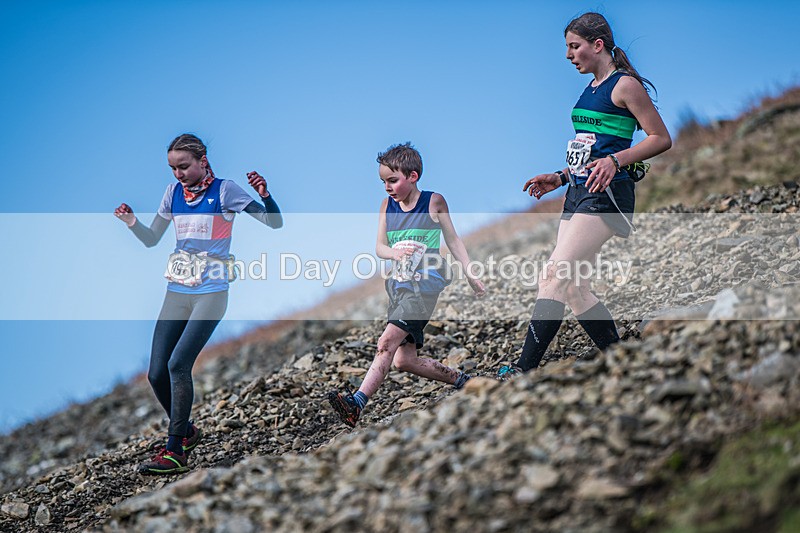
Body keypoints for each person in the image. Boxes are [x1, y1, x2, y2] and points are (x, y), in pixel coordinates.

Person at [497, 12, 671, 379]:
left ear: (598, 44)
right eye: (567, 48)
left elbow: (660, 138)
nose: (568, 55)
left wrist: (615, 160)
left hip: (607, 195)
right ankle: (620, 358)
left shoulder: (625, 85)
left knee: (555, 275)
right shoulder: (590, 88)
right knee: (575, 287)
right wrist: (559, 176)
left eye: (574, 46)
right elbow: (588, 148)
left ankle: (523, 370)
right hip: (577, 192)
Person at [114, 133, 283, 474]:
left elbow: (273, 222)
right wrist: (132, 223)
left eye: (184, 166)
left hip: (211, 293)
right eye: (172, 168)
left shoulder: (225, 191)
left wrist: (266, 197)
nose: (178, 174)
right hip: (177, 292)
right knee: (156, 372)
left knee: (179, 365)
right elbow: (151, 239)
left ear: (202, 161)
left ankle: (174, 450)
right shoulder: (172, 194)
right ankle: (187, 431)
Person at [327, 142, 485, 427]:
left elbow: (453, 239)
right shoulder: (387, 206)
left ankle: (357, 403)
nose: (387, 187)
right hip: (398, 288)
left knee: (385, 342)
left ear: (413, 176)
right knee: (404, 360)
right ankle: (462, 380)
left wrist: (470, 272)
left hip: (425, 287)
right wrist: (395, 253)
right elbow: (379, 246)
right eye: (383, 181)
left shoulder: (434, 201)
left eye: (392, 180)